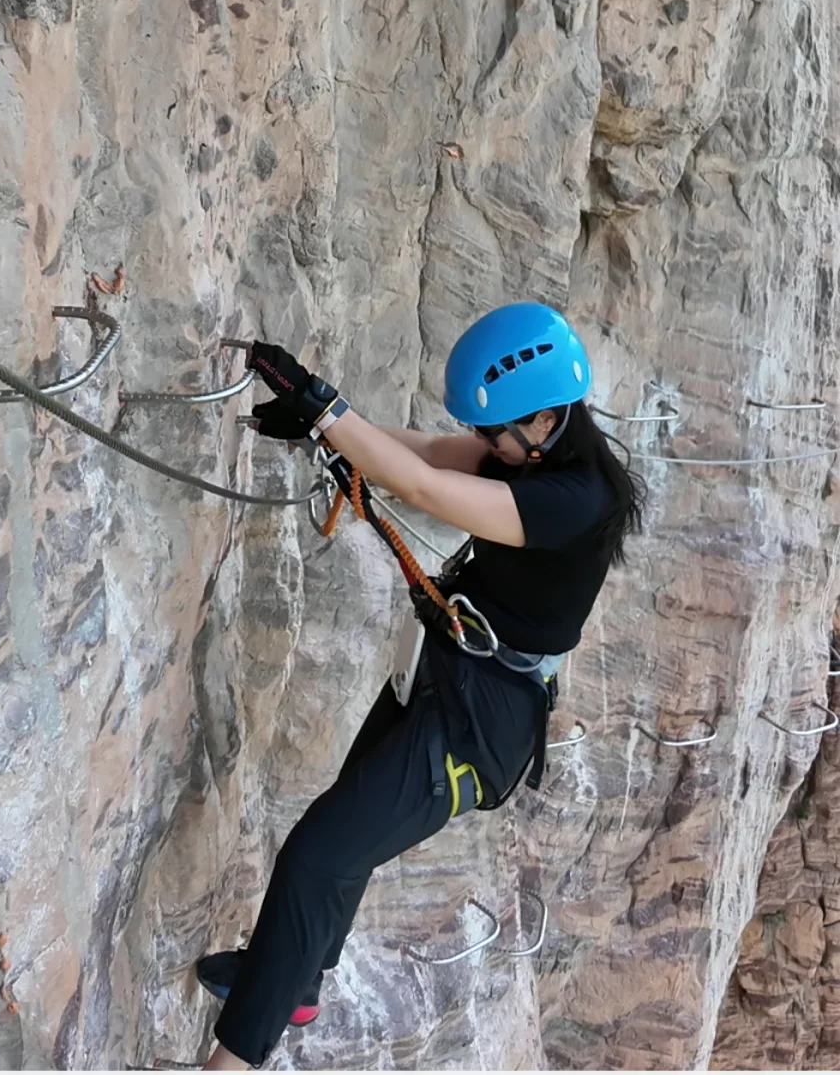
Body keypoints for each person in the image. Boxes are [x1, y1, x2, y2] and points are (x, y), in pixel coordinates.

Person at [196, 302, 645, 1071]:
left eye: (493, 432)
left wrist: (326, 405)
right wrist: (321, 429)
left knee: (317, 856)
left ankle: (238, 1055)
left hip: (480, 723)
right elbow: (426, 455)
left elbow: (427, 491)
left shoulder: (574, 500)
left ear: (542, 420)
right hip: (447, 672)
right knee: (341, 841)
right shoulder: (530, 450)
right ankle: (289, 978)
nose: (482, 445)